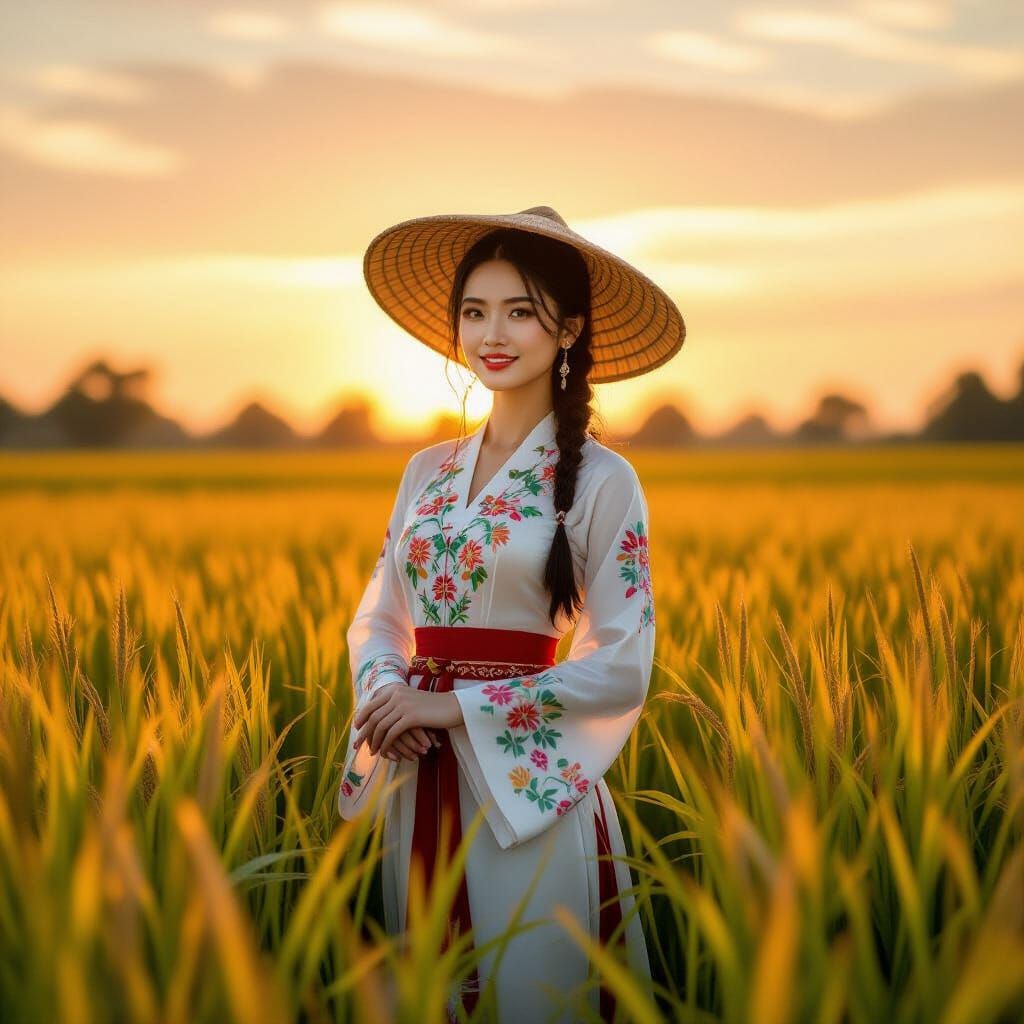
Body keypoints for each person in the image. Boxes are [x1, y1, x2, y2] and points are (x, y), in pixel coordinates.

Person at [337, 206, 686, 1023]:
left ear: (566, 328)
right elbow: (379, 617)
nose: (493, 332)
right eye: (475, 311)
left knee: (534, 986)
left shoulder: (605, 481)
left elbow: (624, 659)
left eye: (520, 311)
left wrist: (453, 705)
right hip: (414, 770)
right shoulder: (426, 469)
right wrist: (389, 696)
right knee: (427, 987)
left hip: (525, 789)